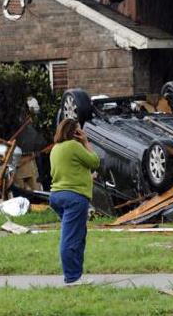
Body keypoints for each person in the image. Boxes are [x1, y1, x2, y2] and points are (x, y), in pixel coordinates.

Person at [49, 118, 100, 286]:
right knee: (71, 237)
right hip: (74, 198)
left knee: (76, 235)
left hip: (57, 195)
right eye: (78, 131)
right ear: (74, 132)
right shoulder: (73, 146)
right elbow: (95, 161)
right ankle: (72, 278)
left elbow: (67, 171)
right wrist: (85, 141)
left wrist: (87, 176)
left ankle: (76, 275)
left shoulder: (56, 149)